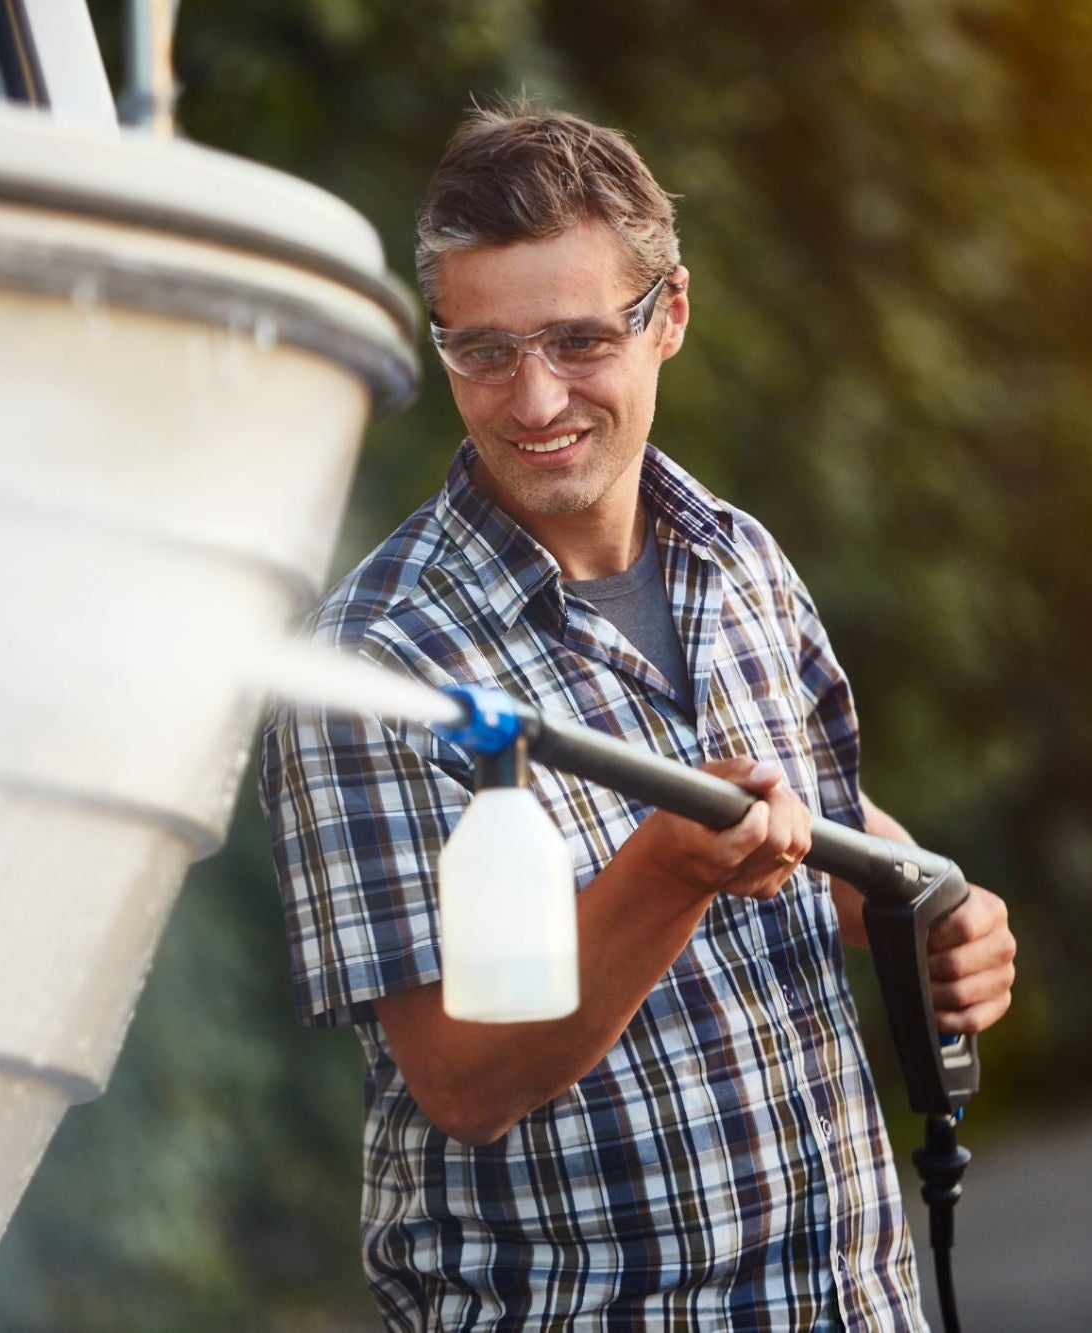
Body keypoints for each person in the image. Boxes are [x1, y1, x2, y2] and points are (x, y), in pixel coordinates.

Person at [261, 106, 1016, 1330]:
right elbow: (460, 1074)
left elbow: (822, 817)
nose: (533, 398)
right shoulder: (379, 659)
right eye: (484, 351)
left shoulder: (741, 560)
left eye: (575, 339)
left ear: (668, 314)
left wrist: (931, 905)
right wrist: (666, 873)